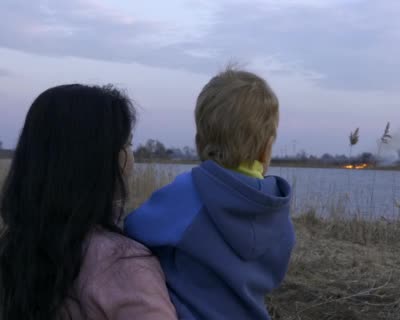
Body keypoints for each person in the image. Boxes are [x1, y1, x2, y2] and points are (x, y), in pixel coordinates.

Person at [125, 67, 295, 319]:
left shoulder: (186, 195)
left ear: (199, 142)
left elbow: (132, 231)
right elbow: (274, 275)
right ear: (266, 149)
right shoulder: (278, 215)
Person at [0, 84, 177, 320]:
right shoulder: (123, 265)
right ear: (110, 159)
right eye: (128, 144)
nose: (130, 155)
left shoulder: (12, 248)